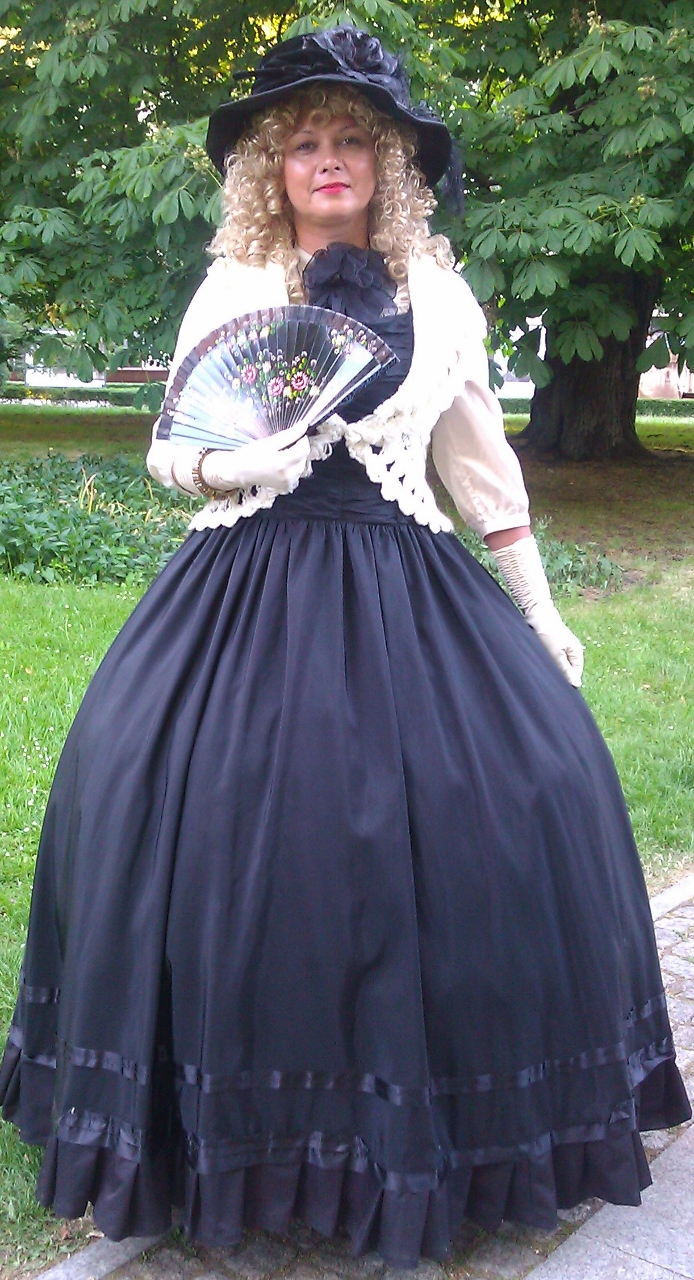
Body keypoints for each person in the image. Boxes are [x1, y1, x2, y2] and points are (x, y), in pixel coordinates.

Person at [0, 27, 690, 1270]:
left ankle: (440, 1126)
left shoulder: (443, 299)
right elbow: (170, 446)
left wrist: (539, 608)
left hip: (404, 575)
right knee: (199, 806)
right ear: (273, 166)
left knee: (518, 791)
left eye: (352, 142)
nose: (328, 160)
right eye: (304, 142)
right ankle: (230, 1131)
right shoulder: (238, 287)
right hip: (244, 575)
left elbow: (479, 466)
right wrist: (228, 463)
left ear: (389, 165)